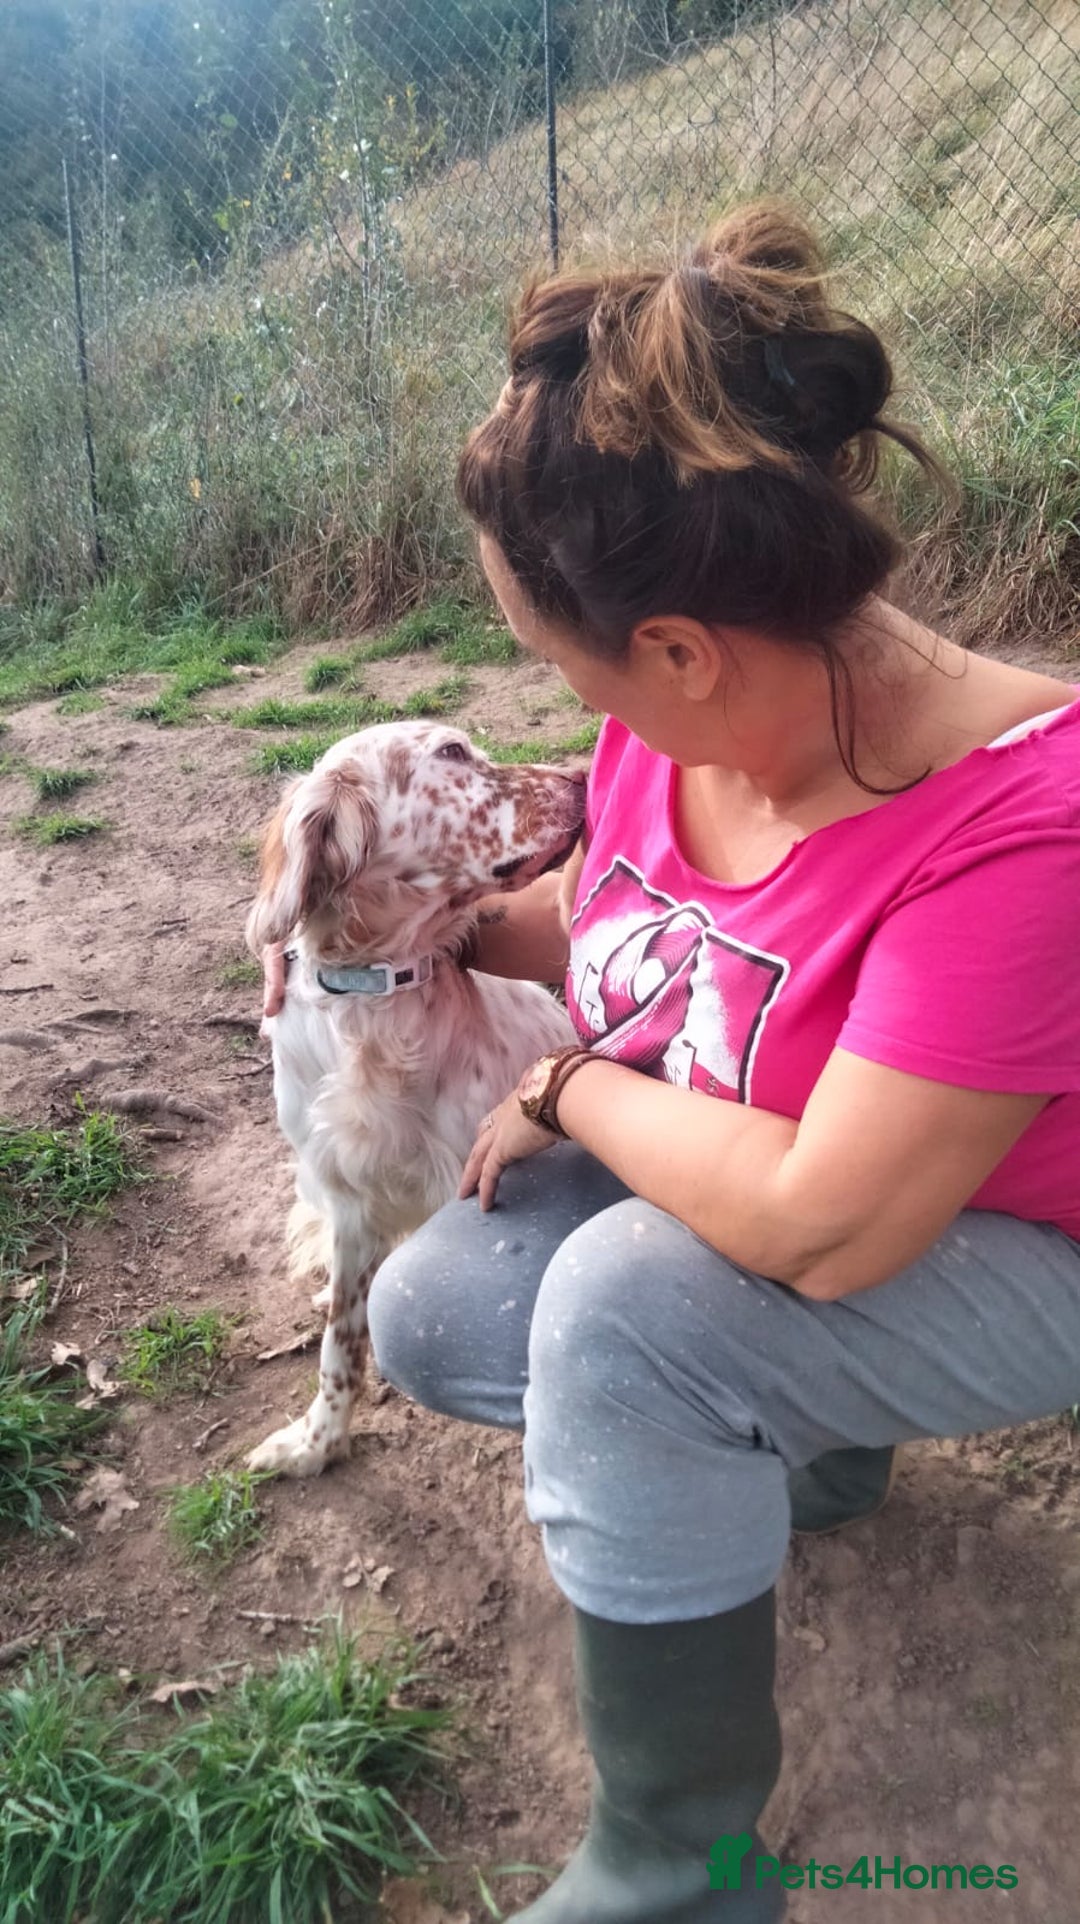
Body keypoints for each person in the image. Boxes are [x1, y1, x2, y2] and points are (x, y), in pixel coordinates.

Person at [263, 204, 1080, 1921]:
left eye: (561, 669)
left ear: (683, 654)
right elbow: (641, 931)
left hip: (1018, 1248)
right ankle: (819, 1449)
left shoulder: (1025, 834)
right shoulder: (691, 734)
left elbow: (817, 1227)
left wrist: (565, 1091)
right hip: (846, 1197)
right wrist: (422, 940)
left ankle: (677, 1862)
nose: (567, 710)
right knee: (443, 1309)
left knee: (628, 1307)